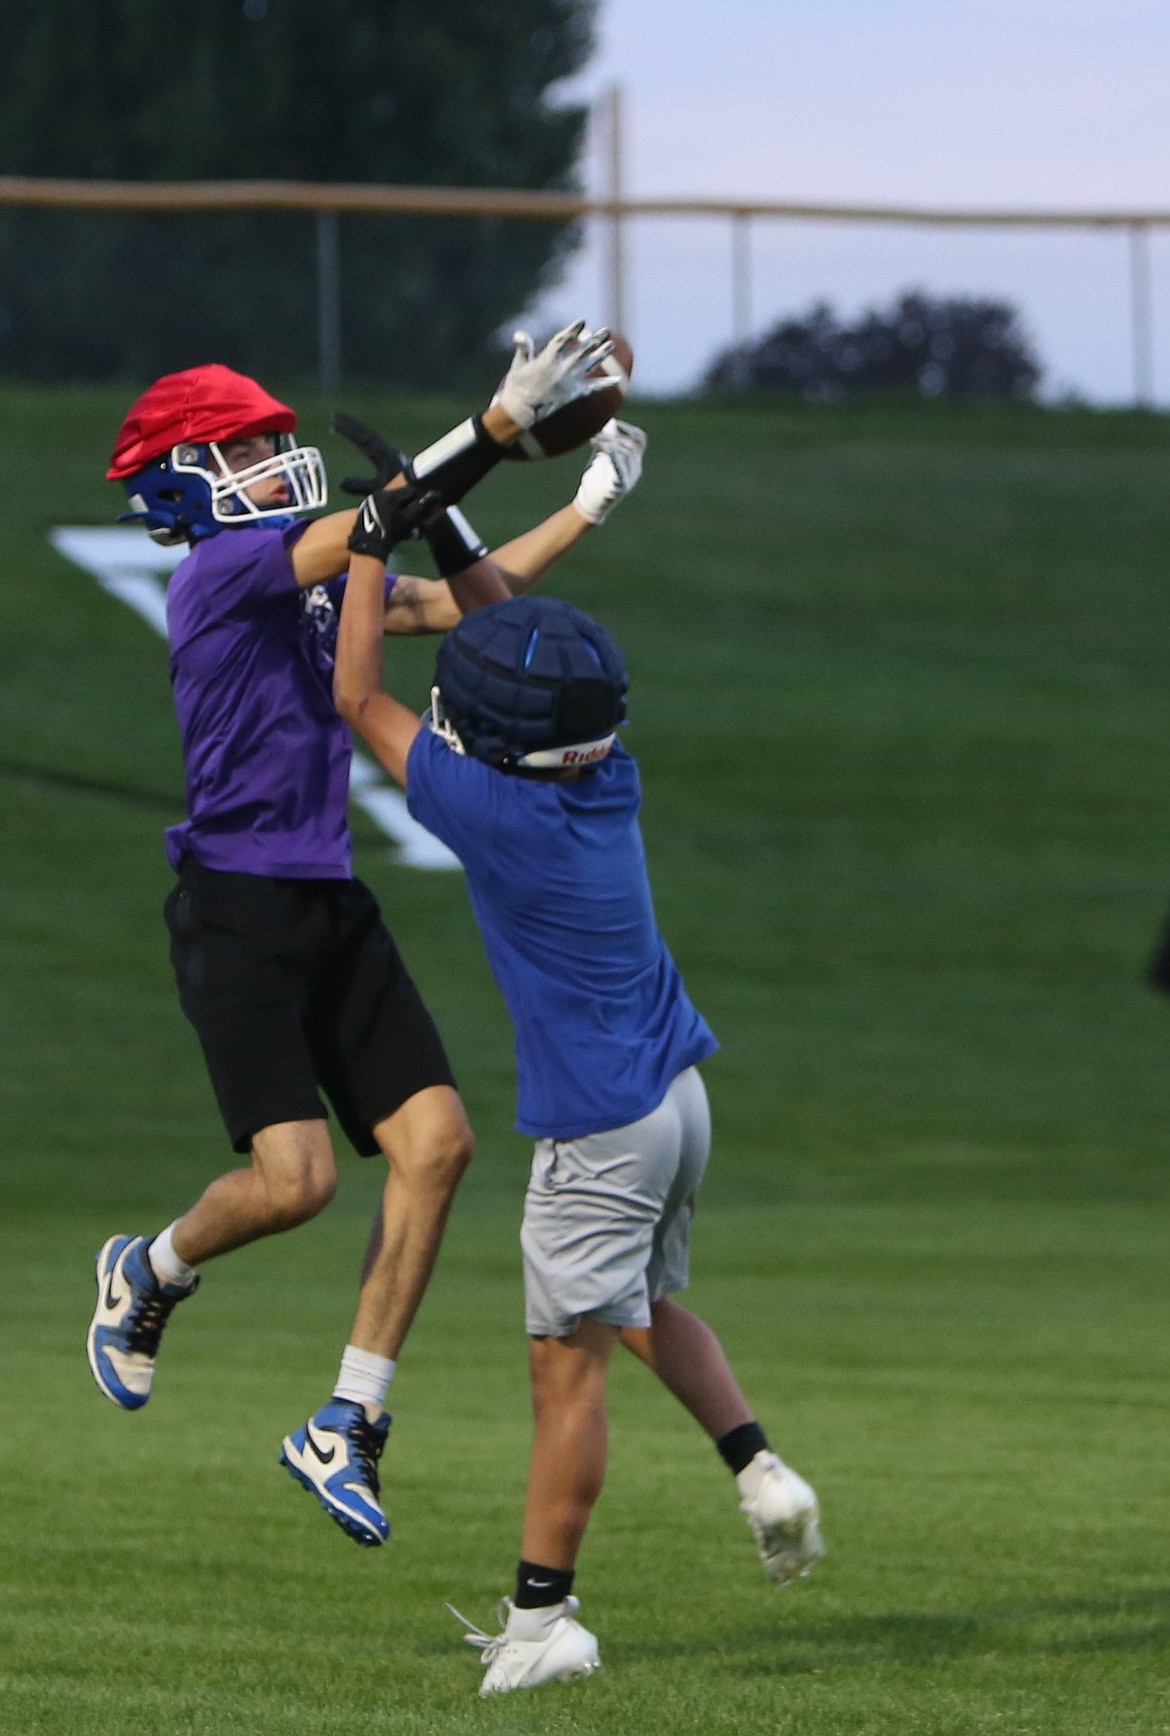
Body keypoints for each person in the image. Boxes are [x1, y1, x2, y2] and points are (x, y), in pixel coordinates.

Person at [87, 328, 643, 1553]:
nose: (277, 455)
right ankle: (149, 1267)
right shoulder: (222, 572)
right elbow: (384, 514)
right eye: (247, 442)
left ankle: (350, 1415)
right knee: (299, 1183)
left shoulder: (316, 563)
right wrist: (493, 427)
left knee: (437, 1142)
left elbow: (448, 599)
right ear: (186, 472)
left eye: (278, 438)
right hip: (236, 904)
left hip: (330, 898)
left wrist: (585, 505)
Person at [332, 518, 826, 1693]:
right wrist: (444, 518)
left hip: (601, 1126)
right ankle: (761, 1469)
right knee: (641, 1301)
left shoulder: (485, 808)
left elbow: (355, 693)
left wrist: (364, 543)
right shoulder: (607, 773)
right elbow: (517, 644)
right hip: (674, 1098)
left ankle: (543, 1620)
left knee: (569, 1373)